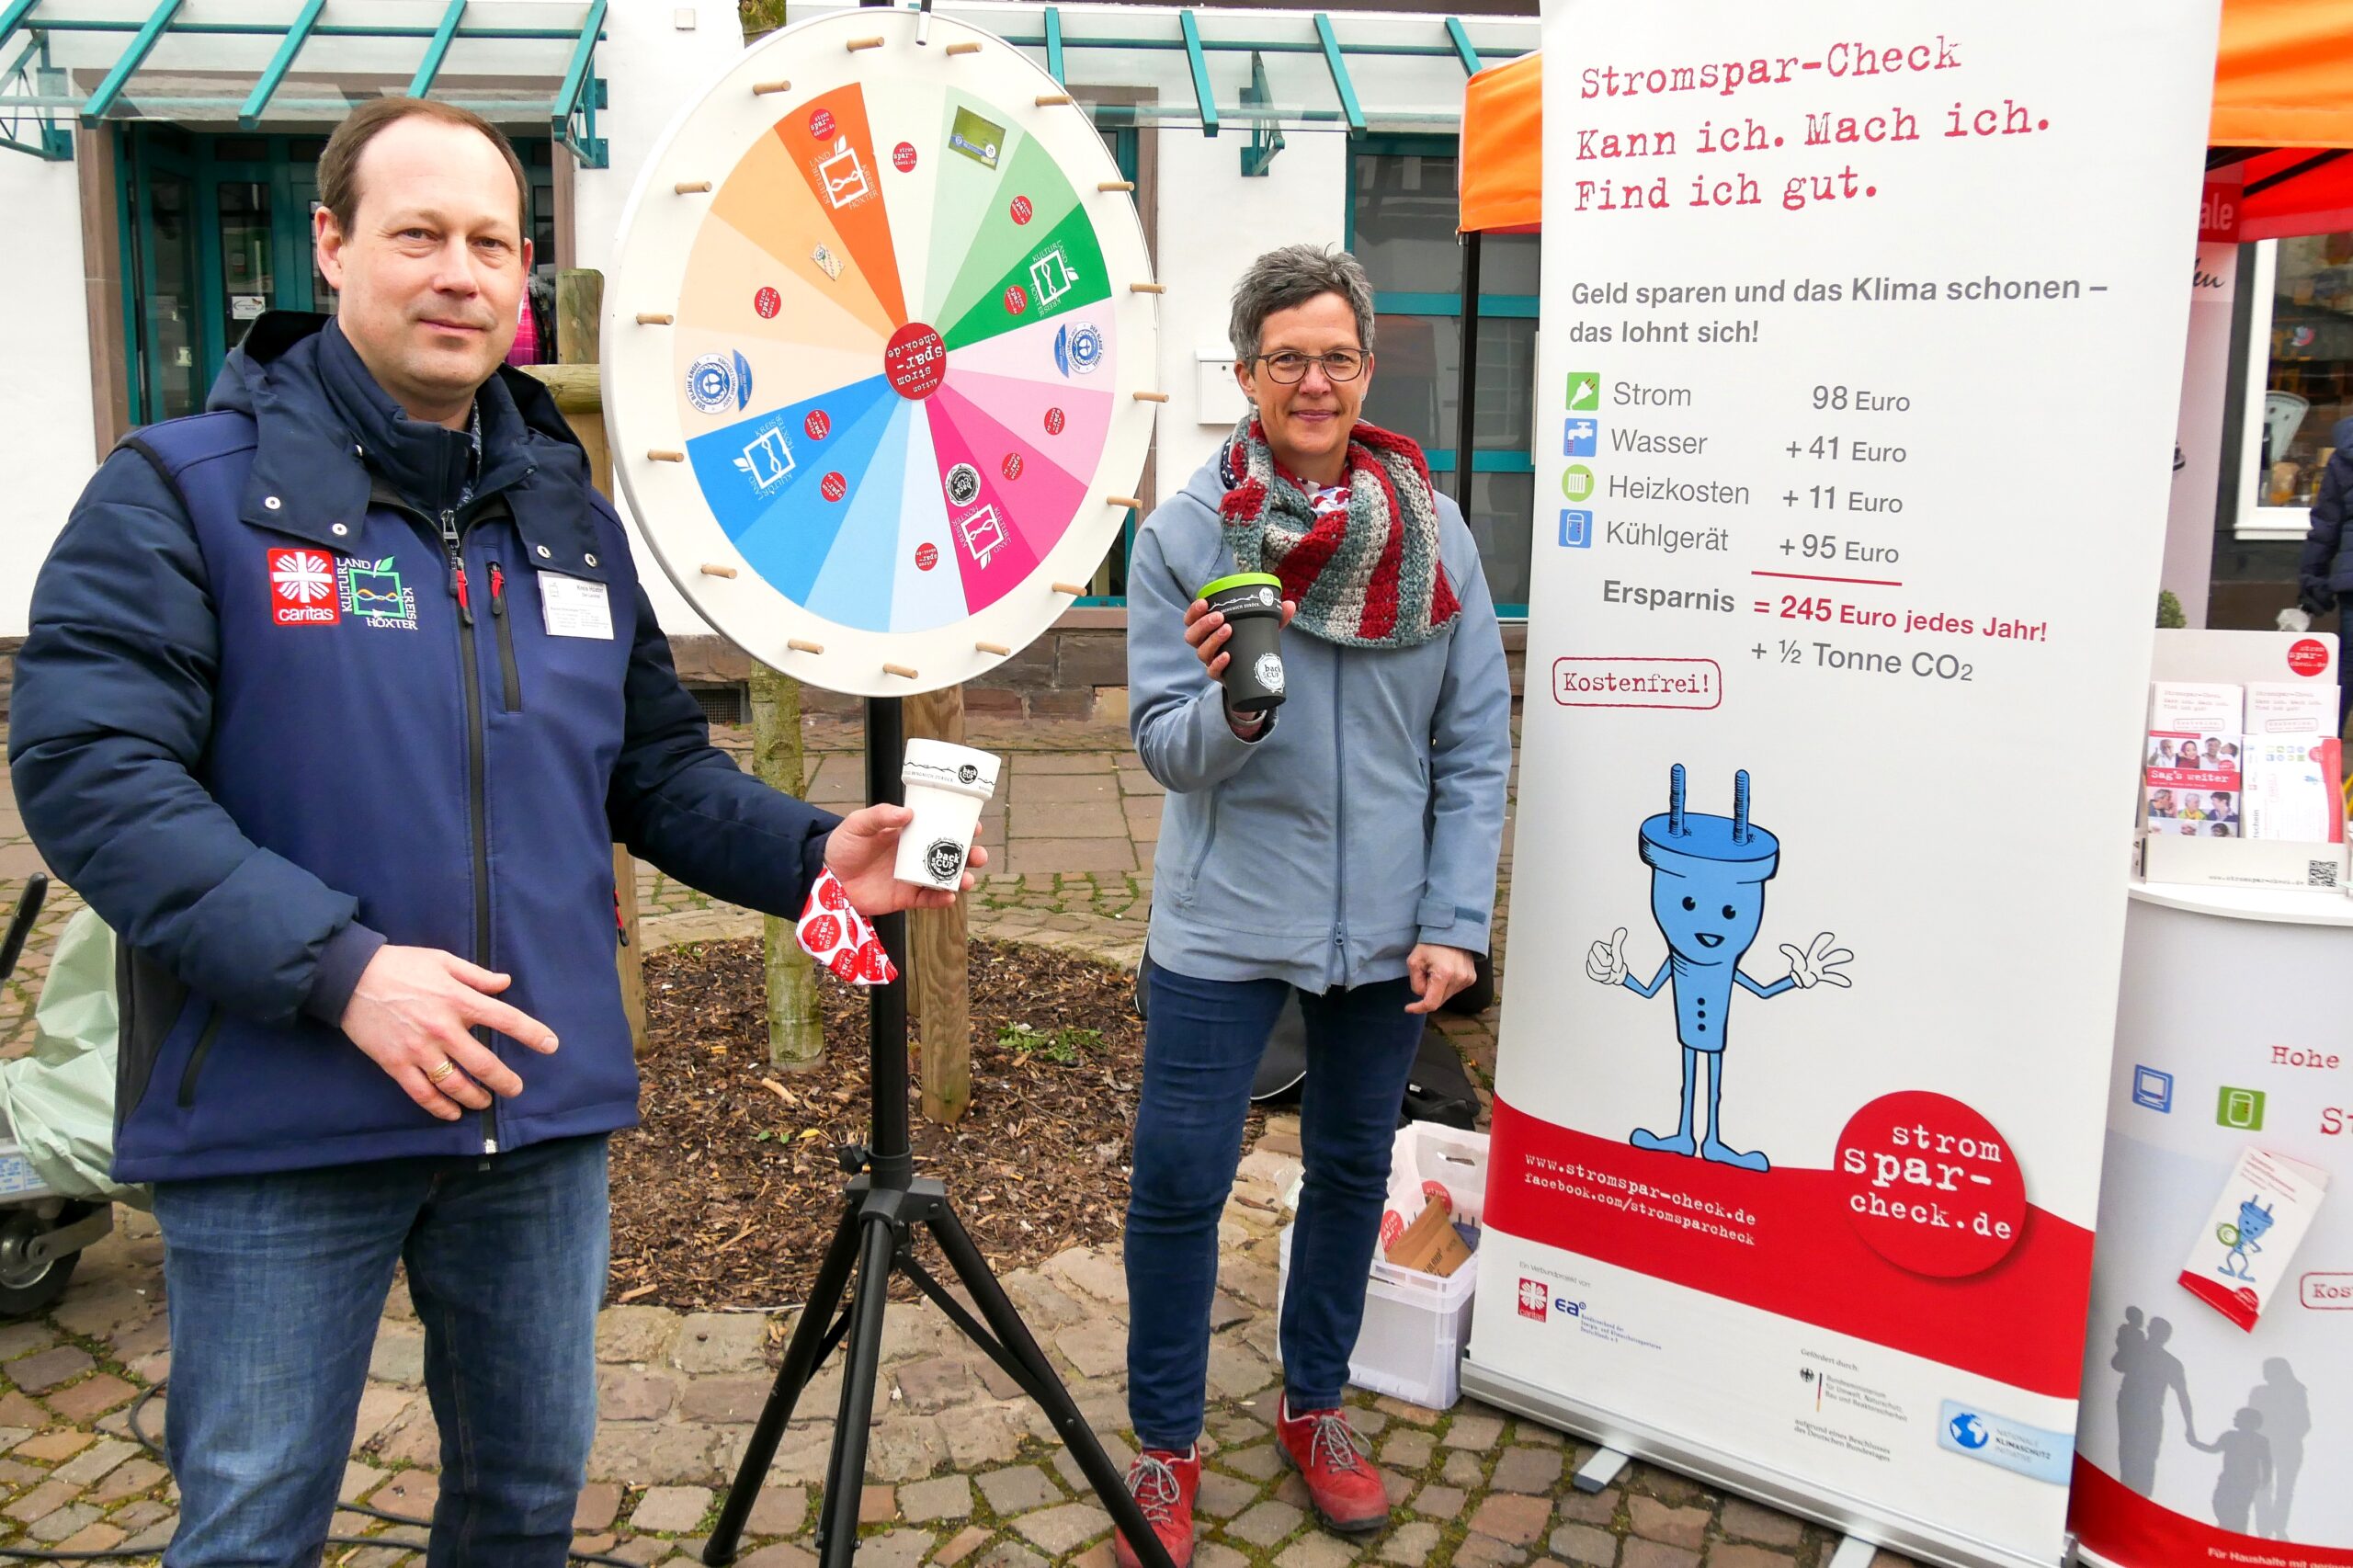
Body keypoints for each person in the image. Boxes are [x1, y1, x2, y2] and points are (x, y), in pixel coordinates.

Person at [6, 97, 977, 1566]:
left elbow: (650, 769)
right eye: (418, 235)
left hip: (532, 1125)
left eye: (490, 242)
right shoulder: (182, 494)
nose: (459, 273)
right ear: (331, 247)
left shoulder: (569, 520)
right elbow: (91, 771)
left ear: (526, 279)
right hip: (278, 1117)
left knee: (523, 1504)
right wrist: (341, 970)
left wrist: (808, 853)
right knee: (253, 1524)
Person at [1114, 244, 1512, 1567]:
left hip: (1390, 928)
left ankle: (1314, 1404)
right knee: (1179, 1181)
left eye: (1336, 354)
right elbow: (1165, 745)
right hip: (1226, 919)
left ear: (1367, 369)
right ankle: (1164, 1447)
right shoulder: (1185, 536)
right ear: (1245, 376)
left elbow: (1473, 745)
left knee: (1350, 1169)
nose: (1315, 379)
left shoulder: (1437, 534)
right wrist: (1232, 707)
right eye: (1287, 356)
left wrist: (1455, 918)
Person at [2296, 415, 2353, 736]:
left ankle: (2324, 759)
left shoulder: (2346, 449)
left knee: (2348, 668)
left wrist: (2313, 578)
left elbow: (2327, 522)